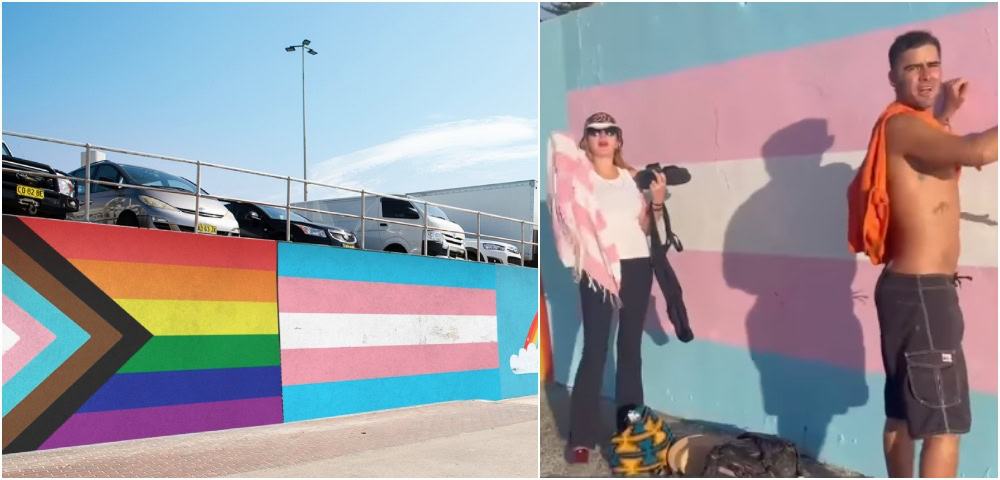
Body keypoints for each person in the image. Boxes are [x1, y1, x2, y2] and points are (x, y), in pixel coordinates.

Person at [847, 30, 997, 477]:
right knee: (943, 425)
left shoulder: (917, 128)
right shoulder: (902, 123)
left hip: (907, 292)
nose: (927, 75)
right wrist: (947, 123)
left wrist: (945, 114)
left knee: (904, 414)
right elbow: (977, 151)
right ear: (892, 77)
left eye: (933, 65)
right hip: (924, 294)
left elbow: (932, 164)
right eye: (913, 67)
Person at [547, 112, 668, 464]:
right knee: (596, 351)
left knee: (630, 351)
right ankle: (581, 436)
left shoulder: (632, 178)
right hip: (597, 270)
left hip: (637, 265)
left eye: (610, 131)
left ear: (618, 140)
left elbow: (646, 227)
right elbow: (564, 209)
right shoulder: (578, 179)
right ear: (586, 139)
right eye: (595, 131)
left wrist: (657, 200)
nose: (603, 136)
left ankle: (631, 434)